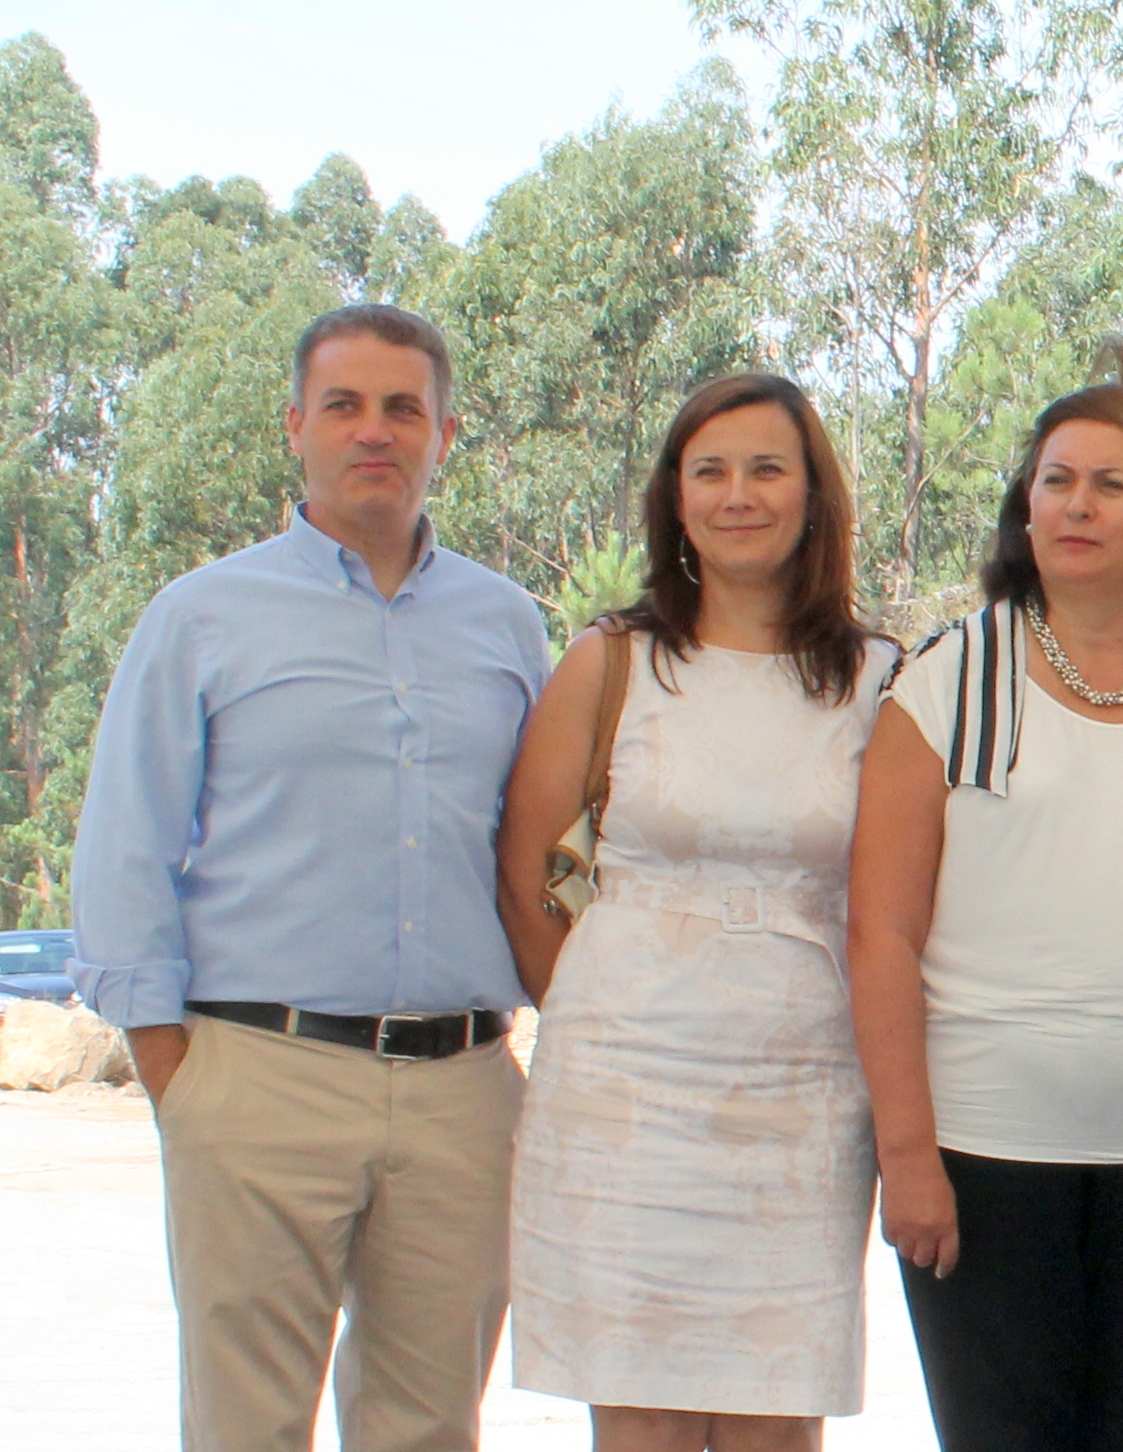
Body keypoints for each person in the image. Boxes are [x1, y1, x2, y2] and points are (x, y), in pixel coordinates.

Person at [70, 304, 546, 1452]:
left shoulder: (511, 625)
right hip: (257, 1077)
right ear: (296, 426)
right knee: (245, 1428)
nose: (372, 430)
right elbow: (127, 845)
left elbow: (544, 846)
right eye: (343, 405)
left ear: (445, 432)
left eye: (401, 407)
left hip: (462, 1091)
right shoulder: (202, 617)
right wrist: (175, 1074)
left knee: (431, 1426)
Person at [845, 382, 1123, 1452]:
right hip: (983, 1161)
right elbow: (879, 935)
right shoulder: (944, 680)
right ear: (1025, 506)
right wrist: (907, 1158)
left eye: (1111, 484)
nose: (1077, 505)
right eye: (1055, 481)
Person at [501, 373, 895, 1450]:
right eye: (708, 471)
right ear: (674, 499)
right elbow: (528, 872)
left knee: (777, 1427)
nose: (737, 494)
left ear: (814, 495)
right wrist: (596, 1013)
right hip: (625, 1104)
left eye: (767, 468)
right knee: (641, 1424)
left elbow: (903, 899)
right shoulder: (611, 662)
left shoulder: (881, 681)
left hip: (804, 1108)